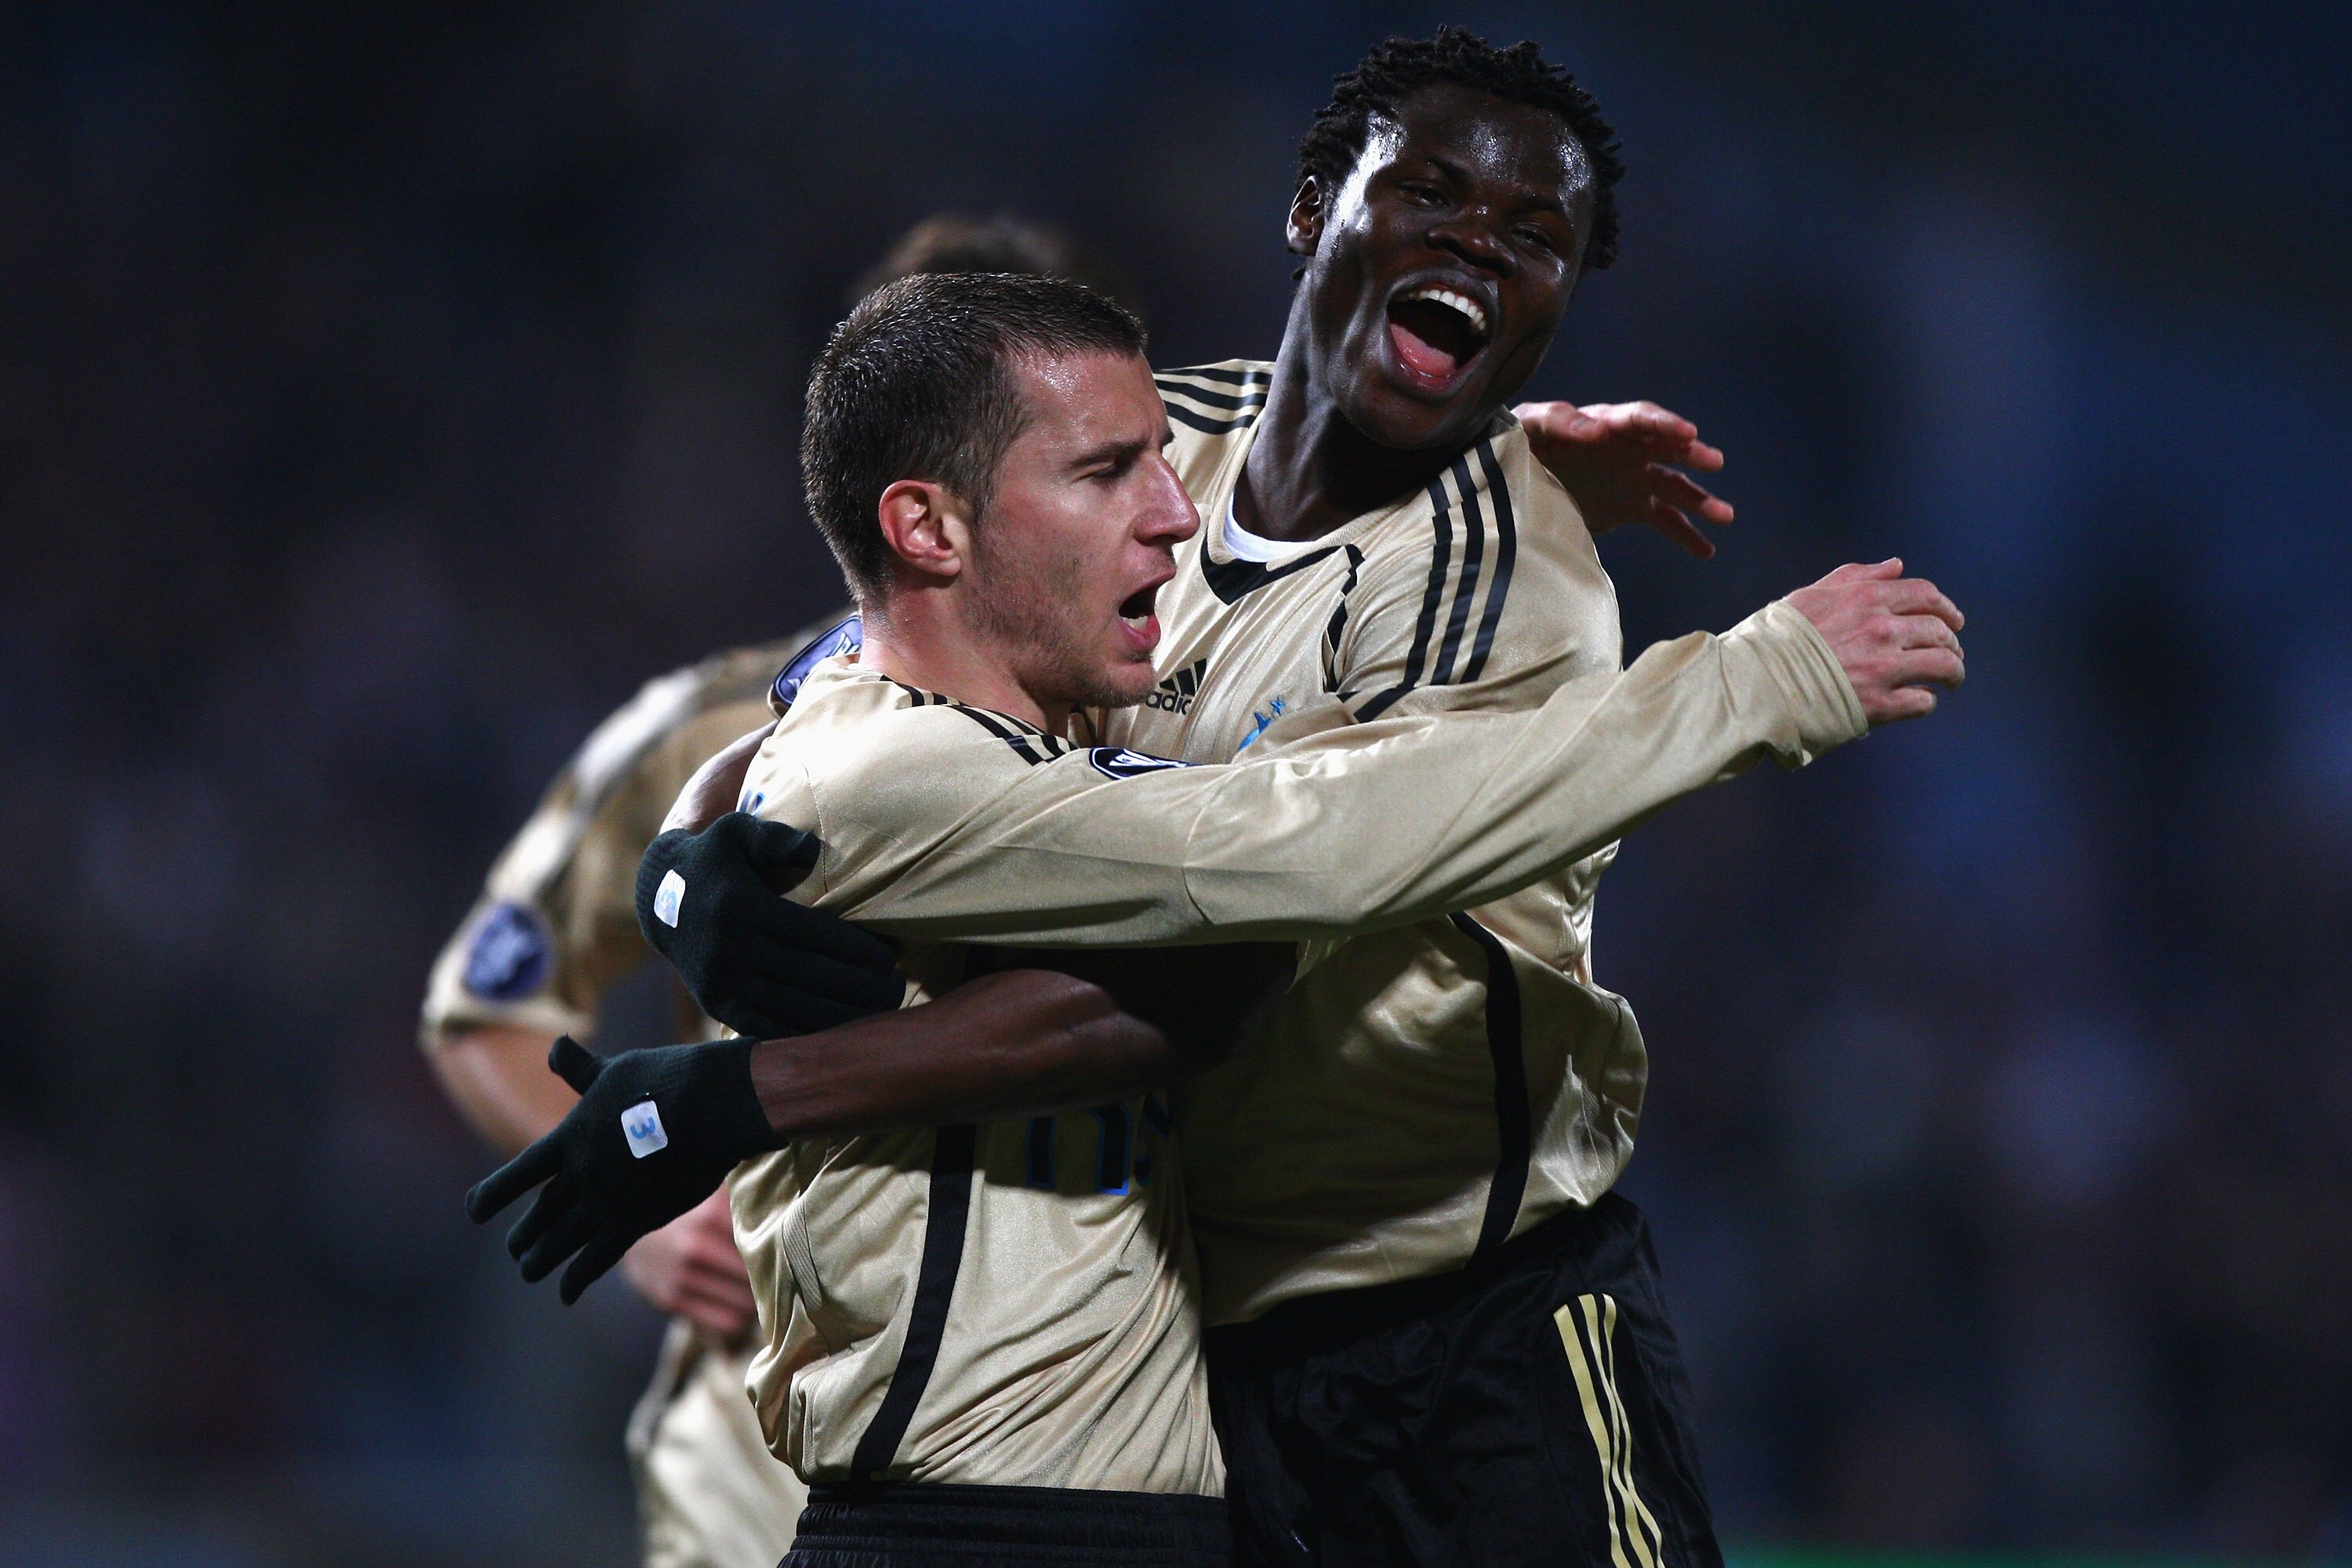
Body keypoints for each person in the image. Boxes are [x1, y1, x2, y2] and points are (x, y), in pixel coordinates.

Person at [633, 28, 1965, 1568]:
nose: (1483, 241)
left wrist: (769, 1085)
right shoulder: (1156, 432)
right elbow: (862, 670)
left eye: (1540, 238)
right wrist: (694, 858)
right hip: (1193, 1365)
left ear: (1555, 309)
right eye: (1435, 193)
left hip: (1474, 1353)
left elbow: (1211, 980)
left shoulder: (1507, 588)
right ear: (1313, 205)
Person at [419, 213, 1152, 1568]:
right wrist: (653, 1210)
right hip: (773, 1447)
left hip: (1079, 1430)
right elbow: (487, 1003)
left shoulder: (1174, 726)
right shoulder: (710, 727)